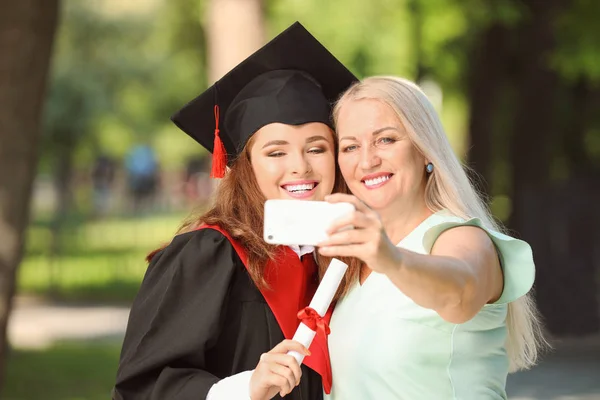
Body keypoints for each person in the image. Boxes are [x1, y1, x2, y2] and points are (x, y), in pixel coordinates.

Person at [112, 23, 357, 400]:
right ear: (245, 166)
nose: (300, 167)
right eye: (276, 152)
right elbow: (142, 388)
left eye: (317, 148)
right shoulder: (207, 255)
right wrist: (246, 388)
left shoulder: (347, 255)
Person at [317, 76, 546, 399]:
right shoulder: (352, 265)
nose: (367, 160)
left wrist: (392, 260)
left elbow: (459, 292)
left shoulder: (462, 237)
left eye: (386, 140)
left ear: (425, 149)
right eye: (351, 146)